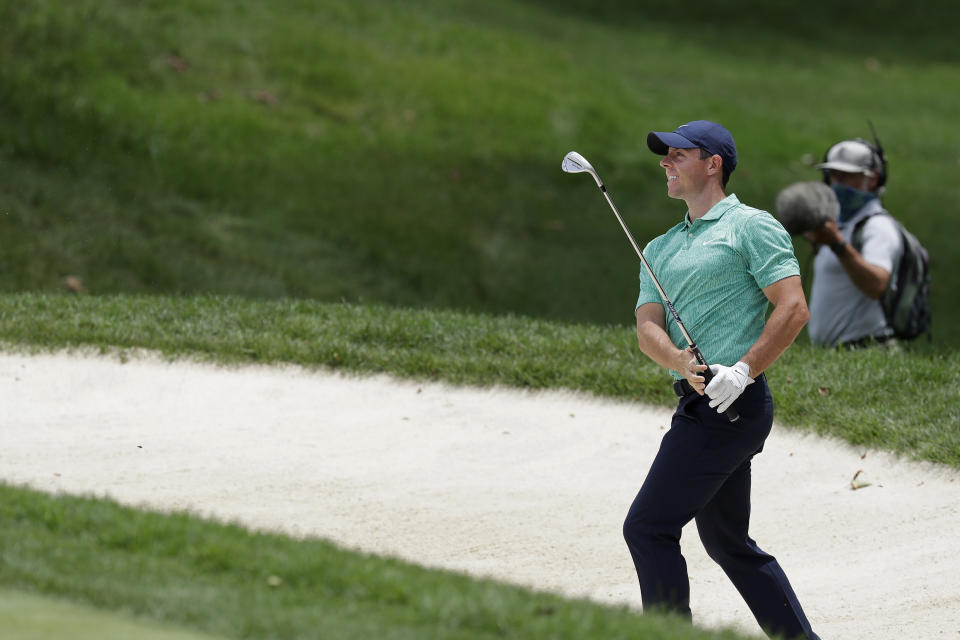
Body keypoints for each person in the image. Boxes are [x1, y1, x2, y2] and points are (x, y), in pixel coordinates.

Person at [622, 120, 820, 640]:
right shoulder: (660, 247)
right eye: (663, 156)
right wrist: (680, 362)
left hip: (735, 406)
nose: (665, 162)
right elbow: (647, 327)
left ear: (713, 164)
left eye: (678, 154)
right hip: (697, 402)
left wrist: (744, 369)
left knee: (647, 528)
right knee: (728, 543)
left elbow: (793, 307)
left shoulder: (750, 226)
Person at [804, 138, 903, 348]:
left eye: (847, 176)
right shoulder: (842, 225)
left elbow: (877, 285)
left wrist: (837, 245)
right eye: (834, 176)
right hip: (839, 353)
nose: (838, 184)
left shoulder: (878, 227)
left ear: (873, 179)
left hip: (868, 349)